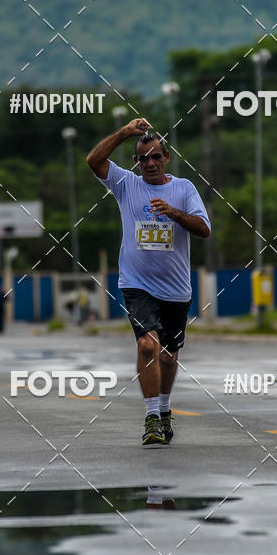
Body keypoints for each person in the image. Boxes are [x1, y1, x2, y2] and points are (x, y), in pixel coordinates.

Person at [86, 118, 211, 446]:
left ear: (166, 157)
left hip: (176, 289)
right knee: (147, 345)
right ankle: (152, 417)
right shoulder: (126, 184)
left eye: (156, 157)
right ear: (136, 162)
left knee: (168, 356)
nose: (150, 163)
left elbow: (203, 229)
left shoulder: (183, 189)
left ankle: (165, 410)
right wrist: (125, 132)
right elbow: (94, 161)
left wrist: (173, 213)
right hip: (136, 283)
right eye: (143, 159)